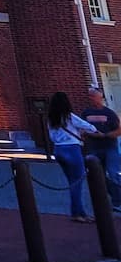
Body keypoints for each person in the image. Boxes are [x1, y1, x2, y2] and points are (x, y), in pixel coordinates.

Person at [48, 90, 100, 224]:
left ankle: (78, 212)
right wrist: (94, 130)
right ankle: (78, 213)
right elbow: (87, 126)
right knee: (77, 182)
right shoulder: (69, 116)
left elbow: (51, 136)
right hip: (72, 148)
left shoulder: (51, 119)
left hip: (58, 149)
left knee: (72, 181)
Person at [83, 84, 121, 206]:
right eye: (90, 96)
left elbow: (118, 131)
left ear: (100, 97)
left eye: (94, 96)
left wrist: (105, 135)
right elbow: (81, 128)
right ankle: (112, 198)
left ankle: (117, 201)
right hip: (93, 147)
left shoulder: (109, 113)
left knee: (113, 173)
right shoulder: (86, 113)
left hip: (109, 147)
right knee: (97, 174)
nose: (91, 98)